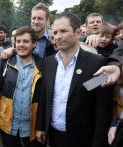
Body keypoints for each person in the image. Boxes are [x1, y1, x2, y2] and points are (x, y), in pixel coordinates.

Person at [36, 12, 113, 147]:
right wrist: (41, 126)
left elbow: (102, 110)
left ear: (78, 33)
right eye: (54, 33)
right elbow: (44, 97)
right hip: (54, 135)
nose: (57, 37)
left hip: (84, 138)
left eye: (63, 31)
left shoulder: (98, 64)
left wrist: (98, 143)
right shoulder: (48, 63)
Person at [0, 26, 44, 147]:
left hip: (32, 125)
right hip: (8, 124)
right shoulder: (5, 62)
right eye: (18, 41)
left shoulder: (42, 65)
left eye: (26, 41)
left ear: (34, 44)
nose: (21, 44)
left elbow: (45, 98)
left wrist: (41, 125)